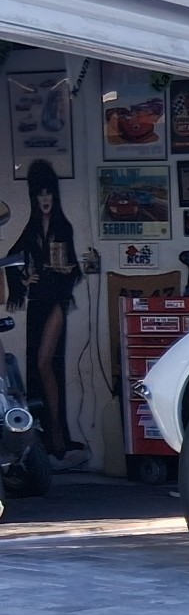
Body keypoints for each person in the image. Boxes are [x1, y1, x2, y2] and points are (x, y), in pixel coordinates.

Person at [4, 159, 84, 463]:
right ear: (33, 197)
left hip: (57, 301)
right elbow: (12, 257)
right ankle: (51, 435)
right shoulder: (32, 228)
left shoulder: (64, 226)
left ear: (55, 195)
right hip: (38, 299)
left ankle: (56, 435)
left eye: (49, 193)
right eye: (40, 194)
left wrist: (63, 270)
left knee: (43, 362)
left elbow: (74, 269)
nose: (45, 199)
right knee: (39, 366)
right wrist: (23, 280)